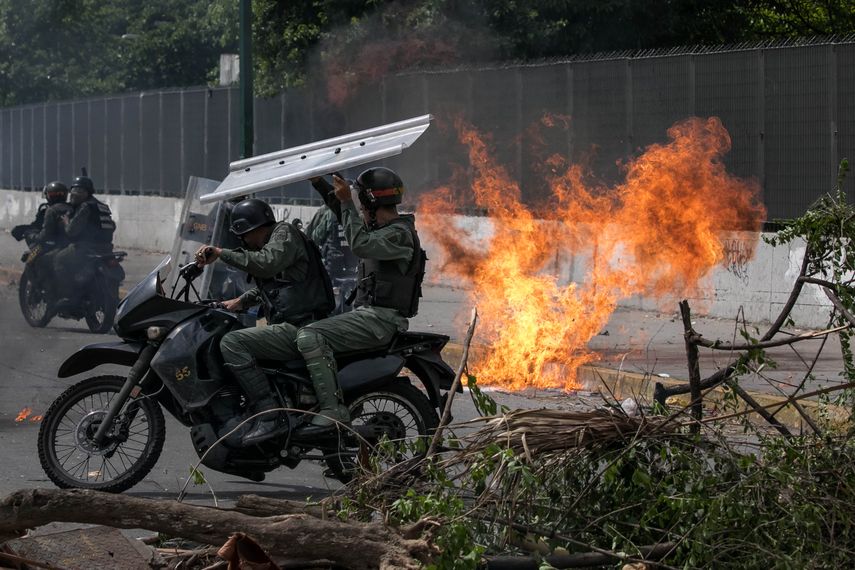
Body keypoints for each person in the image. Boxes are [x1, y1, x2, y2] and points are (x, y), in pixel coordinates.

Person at [294, 167, 426, 437]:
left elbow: (360, 244)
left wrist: (345, 202)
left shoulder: (397, 234)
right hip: (369, 317)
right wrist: (319, 182)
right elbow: (346, 220)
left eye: (360, 202)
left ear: (368, 202)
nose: (357, 207)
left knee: (309, 336)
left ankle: (331, 411)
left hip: (380, 320)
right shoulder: (384, 230)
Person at [194, 198, 334, 445]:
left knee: (232, 343)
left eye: (245, 236)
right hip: (294, 322)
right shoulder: (276, 241)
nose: (245, 242)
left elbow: (267, 264)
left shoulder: (284, 234)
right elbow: (279, 287)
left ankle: (268, 414)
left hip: (301, 327)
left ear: (256, 229)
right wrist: (239, 302)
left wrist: (221, 253)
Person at [52, 175, 116, 305]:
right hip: (106, 248)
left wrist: (66, 221)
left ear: (87, 193)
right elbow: (112, 226)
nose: (75, 195)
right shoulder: (102, 206)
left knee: (58, 259)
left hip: (85, 248)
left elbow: (71, 231)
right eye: (74, 191)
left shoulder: (85, 207)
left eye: (80, 191)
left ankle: (68, 296)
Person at [29, 182, 74, 284]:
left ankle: (38, 284)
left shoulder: (51, 210)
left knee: (30, 257)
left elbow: (45, 235)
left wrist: (33, 237)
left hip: (54, 246)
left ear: (49, 196)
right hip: (70, 246)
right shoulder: (72, 208)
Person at [11, 181, 67, 245]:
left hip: (50, 243)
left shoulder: (49, 211)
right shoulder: (71, 208)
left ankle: (36, 254)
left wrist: (29, 234)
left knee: (28, 254)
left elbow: (43, 233)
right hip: (62, 243)